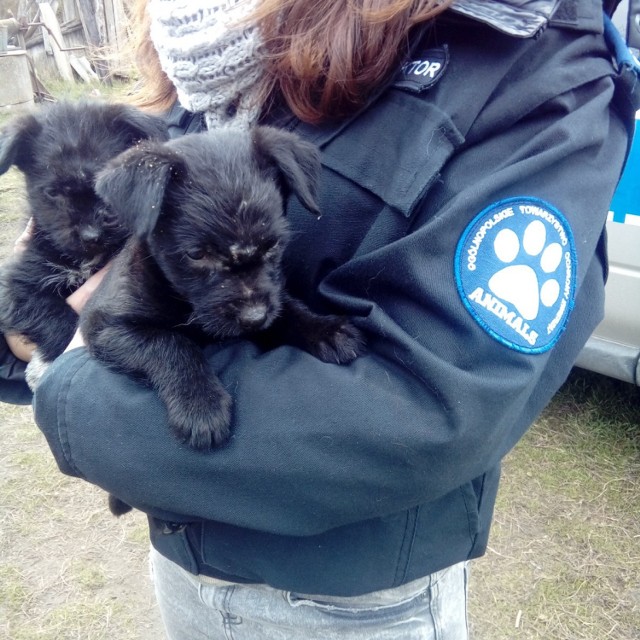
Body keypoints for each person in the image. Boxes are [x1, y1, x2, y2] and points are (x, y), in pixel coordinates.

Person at [2, 0, 639, 637]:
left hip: (348, 598)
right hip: (186, 557)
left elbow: (430, 410)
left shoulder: (531, 65)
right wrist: (31, 329)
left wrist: (73, 395)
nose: (252, 296)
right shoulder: (207, 45)